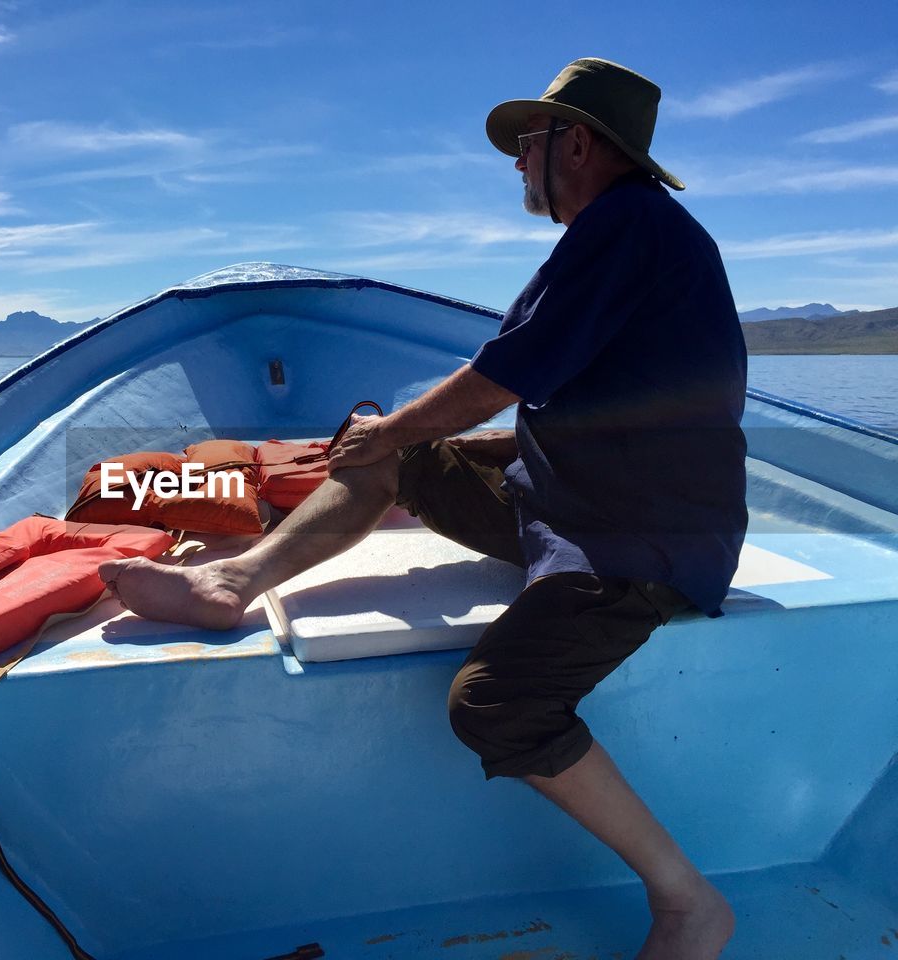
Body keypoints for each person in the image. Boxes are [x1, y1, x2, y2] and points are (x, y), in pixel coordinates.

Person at [98, 57, 747, 960]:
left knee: (496, 704)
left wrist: (391, 433)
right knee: (396, 453)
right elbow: (580, 405)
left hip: (638, 543)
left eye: (531, 141)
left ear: (582, 144)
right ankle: (232, 581)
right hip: (575, 504)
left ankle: (688, 903)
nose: (518, 161)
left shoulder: (627, 225)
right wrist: (404, 447)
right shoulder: (631, 236)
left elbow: (500, 379)